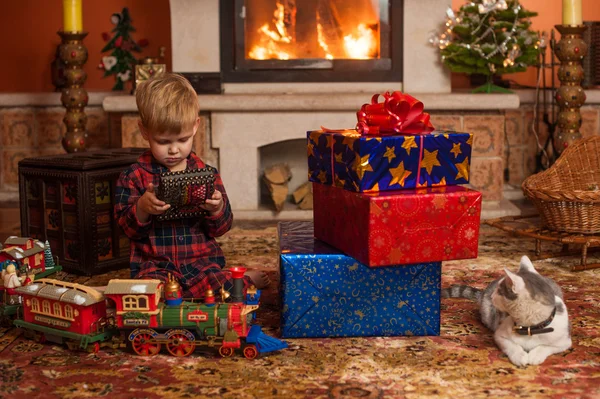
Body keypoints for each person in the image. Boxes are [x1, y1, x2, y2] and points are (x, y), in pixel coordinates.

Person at [114, 73, 269, 300]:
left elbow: (222, 227)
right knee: (147, 295)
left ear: (196, 127)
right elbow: (126, 229)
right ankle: (231, 282)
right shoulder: (134, 176)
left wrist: (216, 209)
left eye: (183, 139)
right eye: (163, 142)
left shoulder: (206, 174)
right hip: (156, 265)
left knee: (219, 287)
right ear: (145, 131)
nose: (174, 150)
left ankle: (243, 278)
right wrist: (142, 208)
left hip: (200, 263)